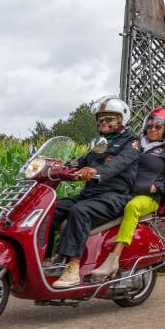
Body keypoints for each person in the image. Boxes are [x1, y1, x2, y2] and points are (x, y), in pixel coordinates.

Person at [48, 95, 140, 288]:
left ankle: (73, 267)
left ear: (121, 119)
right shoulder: (100, 143)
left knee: (79, 211)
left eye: (109, 118)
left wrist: (96, 171)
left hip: (114, 196)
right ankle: (46, 260)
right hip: (91, 195)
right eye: (100, 119)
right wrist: (55, 167)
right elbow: (79, 161)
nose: (103, 122)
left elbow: (117, 164)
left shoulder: (131, 142)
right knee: (50, 209)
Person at [91, 107, 165, 278]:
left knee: (132, 207)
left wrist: (158, 187)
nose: (152, 130)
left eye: (158, 127)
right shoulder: (134, 144)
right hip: (124, 191)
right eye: (150, 126)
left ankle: (114, 258)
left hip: (148, 197)